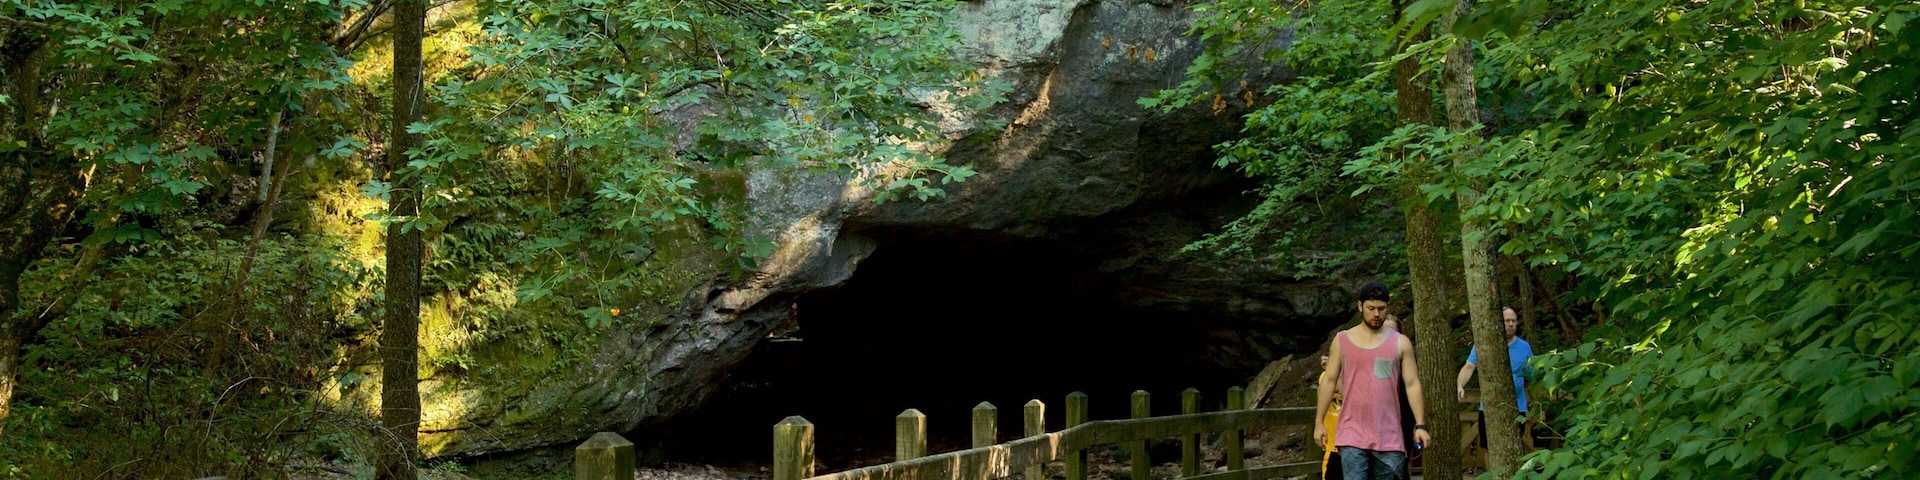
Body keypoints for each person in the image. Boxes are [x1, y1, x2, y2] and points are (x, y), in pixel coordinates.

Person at [1314, 282, 1431, 480]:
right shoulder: (1342, 340)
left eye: (1381, 309)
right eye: (1371, 308)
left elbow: (1412, 384)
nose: (1376, 314)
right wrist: (1319, 422)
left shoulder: (1400, 343)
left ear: (1387, 308)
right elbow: (1329, 380)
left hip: (1389, 433)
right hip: (1351, 432)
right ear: (1360, 307)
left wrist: (1420, 425)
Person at [1455, 306, 1536, 448]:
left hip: (1517, 407)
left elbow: (1532, 374)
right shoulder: (1484, 344)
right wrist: (1460, 385)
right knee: (1489, 447)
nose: (1511, 324)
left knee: (1515, 446)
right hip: (1489, 406)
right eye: (1507, 321)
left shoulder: (1524, 347)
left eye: (1514, 321)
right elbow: (1469, 367)